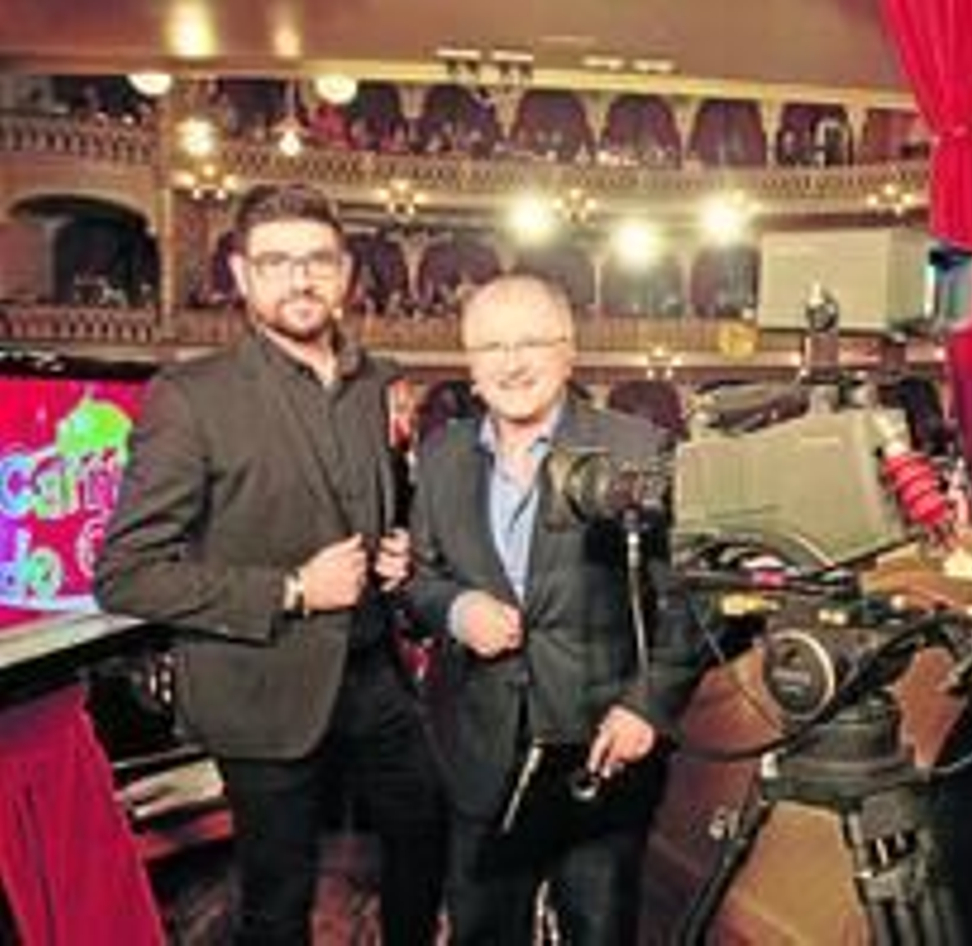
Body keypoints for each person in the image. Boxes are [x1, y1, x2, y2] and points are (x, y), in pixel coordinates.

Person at [95, 183, 447, 945]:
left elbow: (385, 501)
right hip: (259, 686)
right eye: (276, 261)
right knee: (279, 900)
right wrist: (292, 589)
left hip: (373, 672)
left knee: (426, 834)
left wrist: (401, 548)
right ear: (241, 274)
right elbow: (124, 571)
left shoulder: (379, 382)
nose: (300, 279)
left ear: (345, 272)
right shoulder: (191, 396)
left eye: (317, 260)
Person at [405, 275, 701, 944]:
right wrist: (456, 610)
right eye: (492, 347)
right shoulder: (443, 455)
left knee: (600, 930)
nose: (512, 363)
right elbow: (421, 577)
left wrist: (646, 705)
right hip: (478, 751)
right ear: (471, 364)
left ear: (569, 351)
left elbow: (692, 600)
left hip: (599, 752)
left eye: (531, 342)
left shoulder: (638, 448)